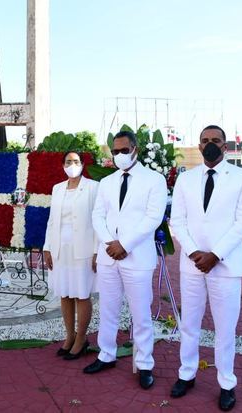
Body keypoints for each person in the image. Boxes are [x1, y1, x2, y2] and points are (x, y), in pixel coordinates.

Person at [169, 125, 242, 411]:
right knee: (189, 324)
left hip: (226, 265)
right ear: (198, 144)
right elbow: (177, 221)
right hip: (192, 264)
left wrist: (215, 255)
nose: (209, 144)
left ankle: (226, 383)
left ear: (225, 146)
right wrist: (195, 252)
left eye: (215, 141)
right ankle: (187, 374)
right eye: (205, 140)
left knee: (225, 329)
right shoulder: (185, 179)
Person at [84, 131, 167, 391]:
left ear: (135, 149)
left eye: (124, 150)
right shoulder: (107, 182)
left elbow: (153, 218)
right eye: (115, 151)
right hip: (110, 256)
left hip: (137, 257)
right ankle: (106, 354)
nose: (119, 155)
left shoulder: (154, 180)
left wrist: (126, 244)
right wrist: (110, 243)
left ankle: (144, 364)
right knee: (107, 309)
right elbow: (98, 216)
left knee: (140, 314)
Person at [43, 151, 99, 360]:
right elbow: (51, 221)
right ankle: (70, 335)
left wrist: (96, 251)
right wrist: (47, 247)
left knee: (82, 293)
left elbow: (98, 220)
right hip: (60, 249)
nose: (72, 165)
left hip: (83, 250)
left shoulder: (93, 188)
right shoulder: (57, 189)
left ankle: (82, 339)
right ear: (63, 165)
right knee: (65, 293)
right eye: (68, 162)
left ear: (83, 164)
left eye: (76, 161)